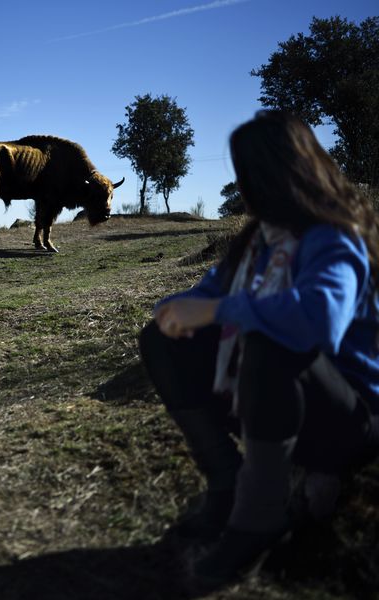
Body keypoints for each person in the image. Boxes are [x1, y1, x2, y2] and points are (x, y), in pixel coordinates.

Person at [138, 110, 379, 588]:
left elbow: (317, 320)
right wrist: (175, 311)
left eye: (245, 172)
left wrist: (218, 310)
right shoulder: (259, 240)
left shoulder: (334, 238)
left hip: (351, 417)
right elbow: (205, 297)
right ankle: (227, 484)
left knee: (273, 340)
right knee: (159, 340)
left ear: (271, 174)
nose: (241, 184)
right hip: (272, 403)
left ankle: (257, 519)